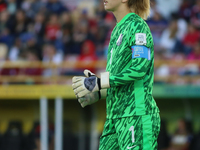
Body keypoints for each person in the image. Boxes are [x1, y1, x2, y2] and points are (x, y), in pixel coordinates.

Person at [72, 0, 160, 149]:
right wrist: (99, 92)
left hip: (136, 115)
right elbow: (118, 79)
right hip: (114, 118)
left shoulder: (137, 26)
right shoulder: (116, 31)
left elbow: (139, 69)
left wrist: (99, 83)